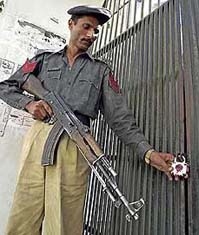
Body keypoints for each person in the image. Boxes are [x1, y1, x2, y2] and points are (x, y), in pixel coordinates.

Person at [0, 5, 175, 235]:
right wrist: (30, 104)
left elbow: (121, 120)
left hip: (75, 146)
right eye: (86, 27)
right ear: (71, 24)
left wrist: (148, 153)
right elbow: (6, 87)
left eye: (96, 30)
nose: (91, 35)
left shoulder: (100, 71)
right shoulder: (44, 59)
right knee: (22, 218)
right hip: (38, 140)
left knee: (63, 224)